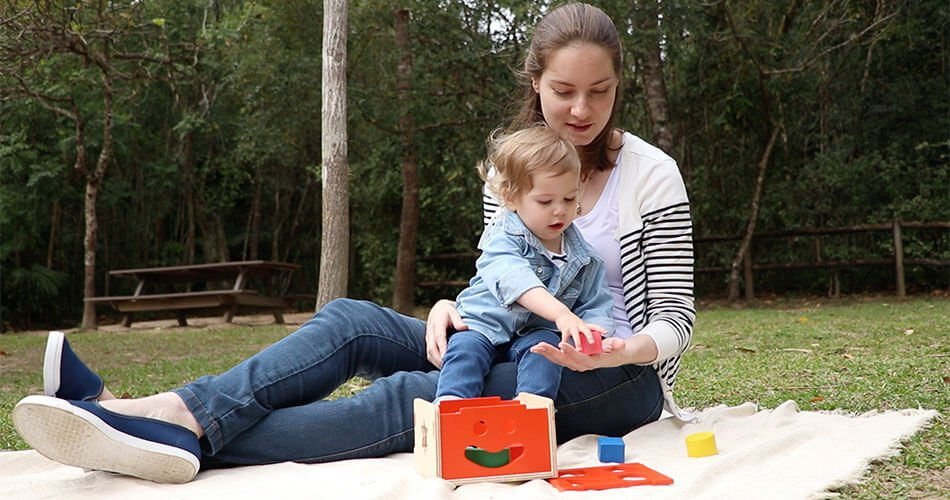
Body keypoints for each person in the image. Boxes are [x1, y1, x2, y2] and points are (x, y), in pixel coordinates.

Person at [12, 2, 695, 485]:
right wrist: (447, 306)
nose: (580, 110)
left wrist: (617, 348)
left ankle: (153, 427)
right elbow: (502, 272)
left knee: (418, 397)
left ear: (617, 89)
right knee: (349, 323)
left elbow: (675, 321)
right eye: (564, 90)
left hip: (609, 376)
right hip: (507, 333)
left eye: (599, 93)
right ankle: (164, 417)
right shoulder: (518, 172)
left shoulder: (651, 174)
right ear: (535, 84)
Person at [436, 126, 614, 404]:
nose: (559, 210)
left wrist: (594, 336)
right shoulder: (502, 234)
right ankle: (450, 411)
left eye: (569, 198)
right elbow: (513, 277)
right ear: (510, 197)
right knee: (464, 354)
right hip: (483, 325)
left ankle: (533, 412)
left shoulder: (586, 259)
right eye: (545, 201)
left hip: (535, 333)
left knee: (545, 353)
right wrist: (561, 313)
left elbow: (596, 305)